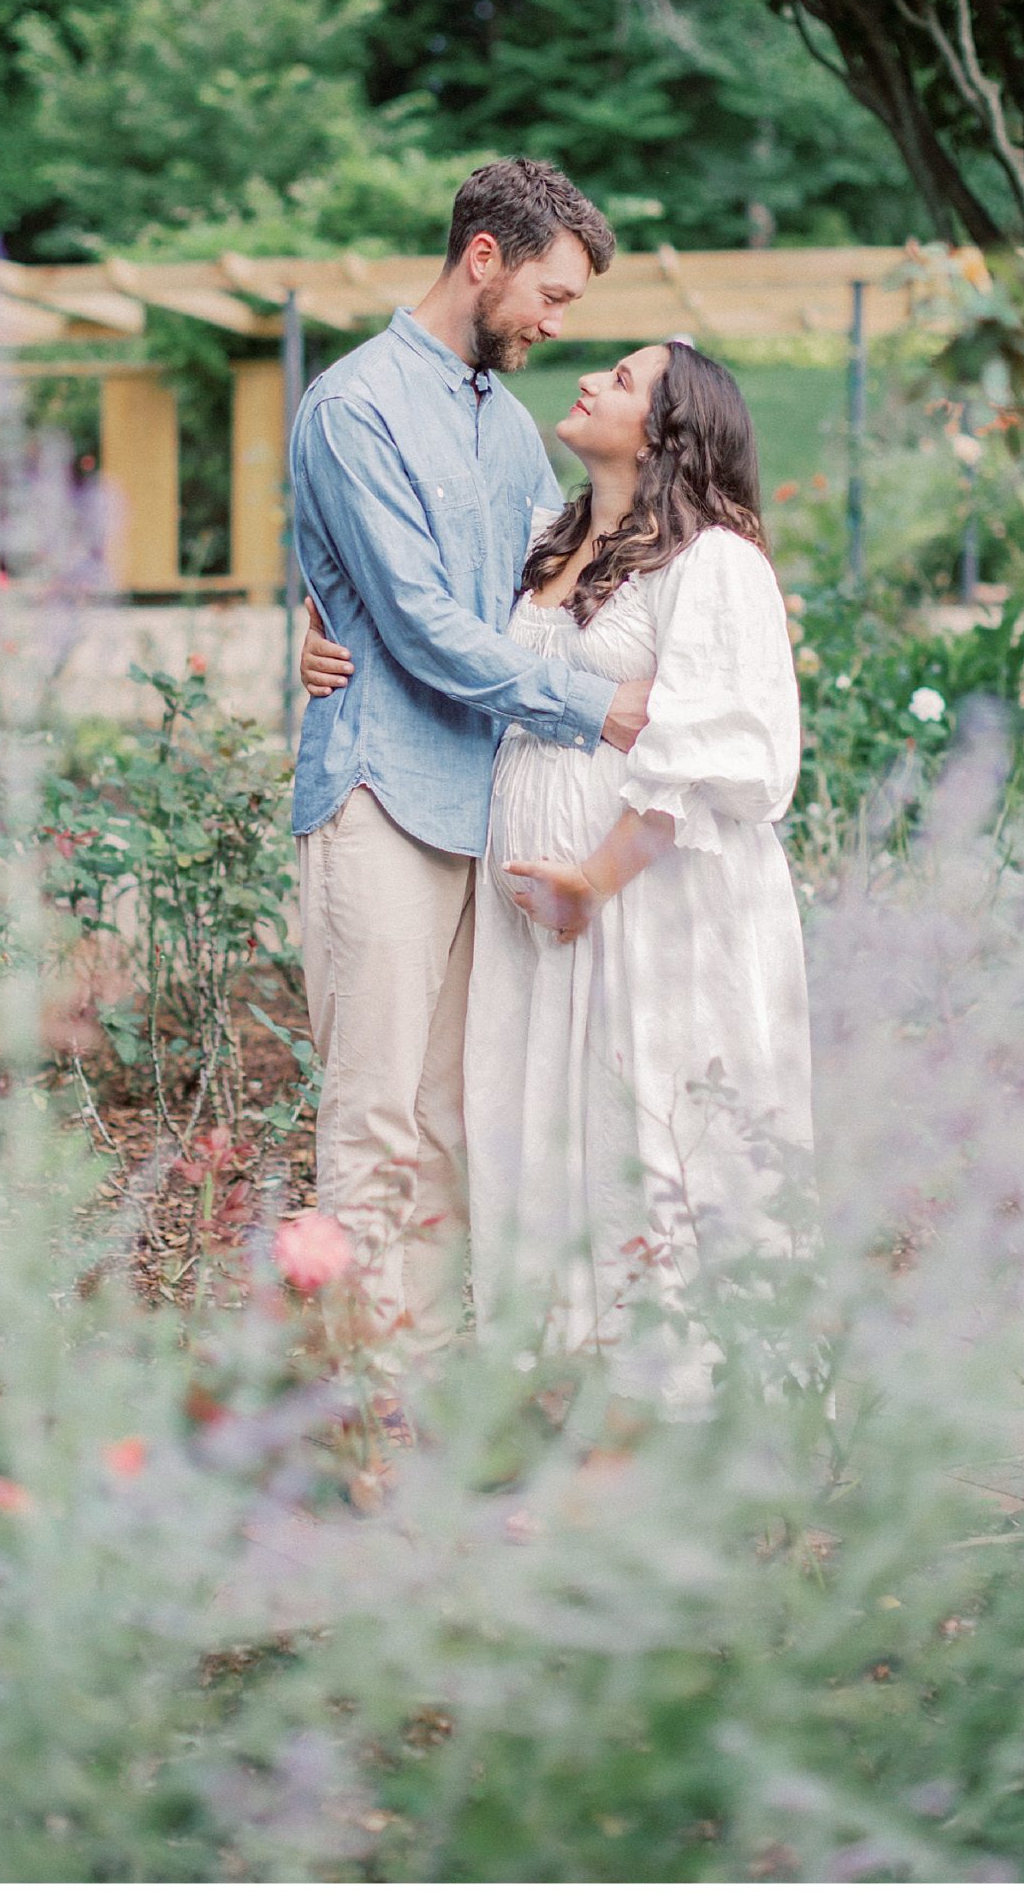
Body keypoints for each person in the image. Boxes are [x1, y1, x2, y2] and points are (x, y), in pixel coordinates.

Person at [304, 338, 813, 1418]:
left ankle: (679, 1411)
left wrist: (597, 875)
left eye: (622, 380)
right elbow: (421, 616)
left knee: (645, 1133)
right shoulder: (549, 540)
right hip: (539, 914)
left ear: (668, 432)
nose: (587, 379)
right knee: (545, 1134)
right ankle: (572, 1395)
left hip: (643, 907)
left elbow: (729, 747)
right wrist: (310, 637)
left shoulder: (711, 562)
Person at [287, 156, 650, 1367]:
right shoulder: (355, 406)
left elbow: (541, 583)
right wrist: (600, 708)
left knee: (447, 1121)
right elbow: (429, 629)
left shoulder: (503, 426)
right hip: (381, 798)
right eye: (550, 295)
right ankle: (368, 1421)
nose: (558, 326)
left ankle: (428, 1392)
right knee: (375, 1120)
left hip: (480, 806)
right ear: (482, 258)